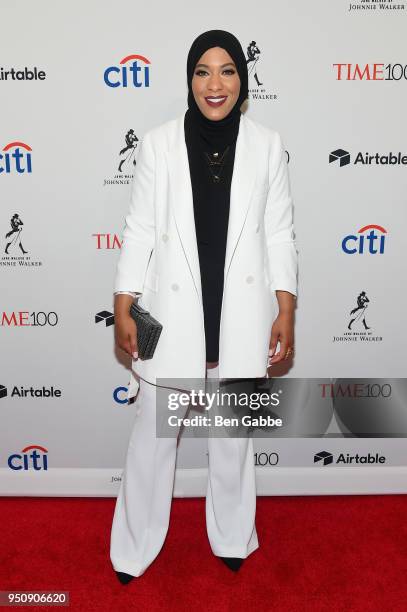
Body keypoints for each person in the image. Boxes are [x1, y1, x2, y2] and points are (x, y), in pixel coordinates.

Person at [110, 29, 298, 584]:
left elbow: (281, 233)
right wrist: (123, 303)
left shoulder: (267, 144)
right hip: (171, 316)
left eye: (227, 71)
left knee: (232, 436)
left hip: (238, 312)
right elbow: (139, 229)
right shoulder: (157, 144)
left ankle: (234, 533)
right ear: (189, 79)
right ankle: (135, 544)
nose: (214, 84)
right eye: (202, 71)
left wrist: (284, 307)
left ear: (242, 81)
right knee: (152, 436)